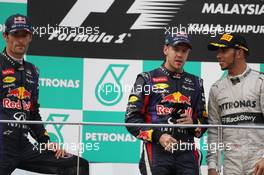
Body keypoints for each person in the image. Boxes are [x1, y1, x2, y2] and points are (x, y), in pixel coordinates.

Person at [0, 14, 89, 175]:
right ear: (5, 36)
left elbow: (33, 112)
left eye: (24, 35)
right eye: (15, 35)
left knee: (77, 166)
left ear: (30, 37)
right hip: (2, 146)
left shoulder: (32, 70)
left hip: (24, 146)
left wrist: (45, 141)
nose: (20, 40)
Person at [125, 32, 208, 175]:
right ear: (166, 50)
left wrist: (194, 123)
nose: (180, 55)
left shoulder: (196, 82)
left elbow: (204, 122)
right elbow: (131, 120)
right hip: (157, 152)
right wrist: (158, 136)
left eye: (184, 51)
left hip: (186, 153)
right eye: (176, 49)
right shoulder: (146, 79)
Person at [206, 33, 264, 175]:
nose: (218, 56)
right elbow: (214, 131)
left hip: (258, 163)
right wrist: (212, 166)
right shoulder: (216, 89)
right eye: (218, 51)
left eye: (224, 51)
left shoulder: (260, 82)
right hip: (231, 165)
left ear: (239, 52)